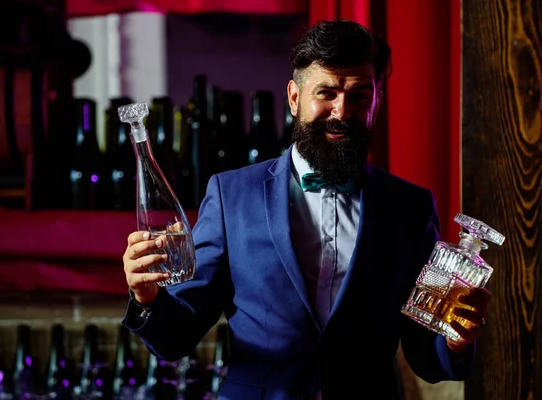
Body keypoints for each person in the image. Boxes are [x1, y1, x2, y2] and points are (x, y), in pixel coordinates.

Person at [121, 19, 491, 399]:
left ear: (376, 101)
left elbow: (425, 356)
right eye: (326, 93)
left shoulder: (409, 207)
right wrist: (146, 298)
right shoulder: (232, 195)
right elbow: (176, 338)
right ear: (294, 98)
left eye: (360, 95)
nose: (341, 111)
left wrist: (455, 341)